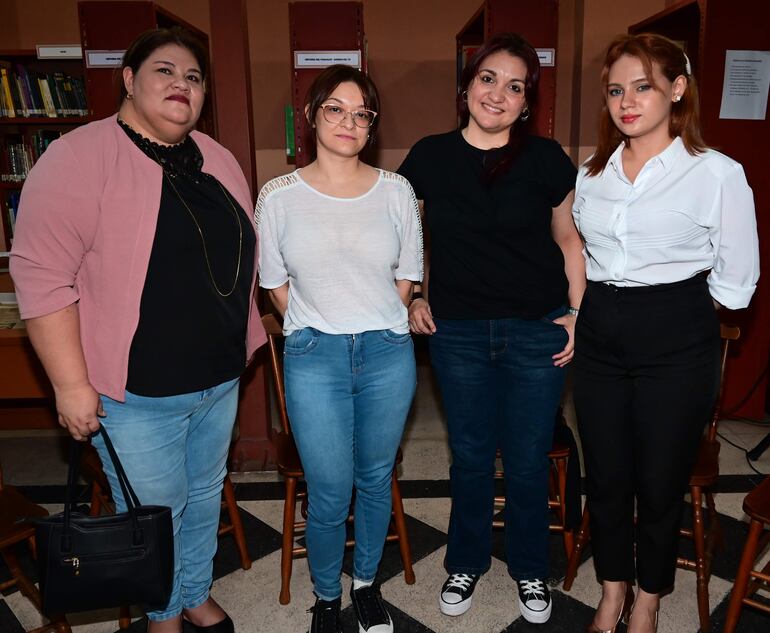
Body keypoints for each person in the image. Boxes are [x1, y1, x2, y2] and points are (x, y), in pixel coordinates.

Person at [10, 27, 265, 633]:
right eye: (165, 71)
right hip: (136, 394)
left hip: (217, 379)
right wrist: (71, 387)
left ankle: (194, 590)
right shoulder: (78, 155)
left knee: (204, 498)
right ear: (128, 78)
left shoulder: (217, 157)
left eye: (194, 77)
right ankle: (164, 615)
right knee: (155, 515)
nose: (182, 84)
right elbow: (41, 276)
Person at [572, 33, 759, 633]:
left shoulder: (716, 174)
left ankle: (648, 598)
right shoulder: (592, 173)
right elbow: (579, 250)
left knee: (658, 481)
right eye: (616, 90)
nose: (627, 101)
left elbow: (738, 281)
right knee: (604, 474)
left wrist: (678, 310)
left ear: (677, 89)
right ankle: (611, 589)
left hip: (676, 337)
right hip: (601, 332)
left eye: (643, 86)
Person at [398, 33, 584, 624]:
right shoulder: (428, 156)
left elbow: (569, 239)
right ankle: (466, 561)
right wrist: (416, 294)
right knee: (472, 456)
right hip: (458, 334)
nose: (498, 94)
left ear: (526, 102)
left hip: (537, 330)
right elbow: (407, 238)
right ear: (467, 87)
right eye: (488, 79)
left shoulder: (548, 158)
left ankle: (530, 568)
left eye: (514, 86)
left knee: (528, 460)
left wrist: (580, 312)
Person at [256, 65, 422, 633]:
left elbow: (406, 278)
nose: (348, 122)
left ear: (371, 125)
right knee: (328, 490)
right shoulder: (278, 196)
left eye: (361, 113)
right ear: (311, 115)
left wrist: (371, 319)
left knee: (375, 479)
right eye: (335, 109)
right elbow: (275, 285)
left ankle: (366, 586)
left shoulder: (397, 191)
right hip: (314, 357)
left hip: (386, 354)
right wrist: (315, 324)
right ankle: (327, 598)